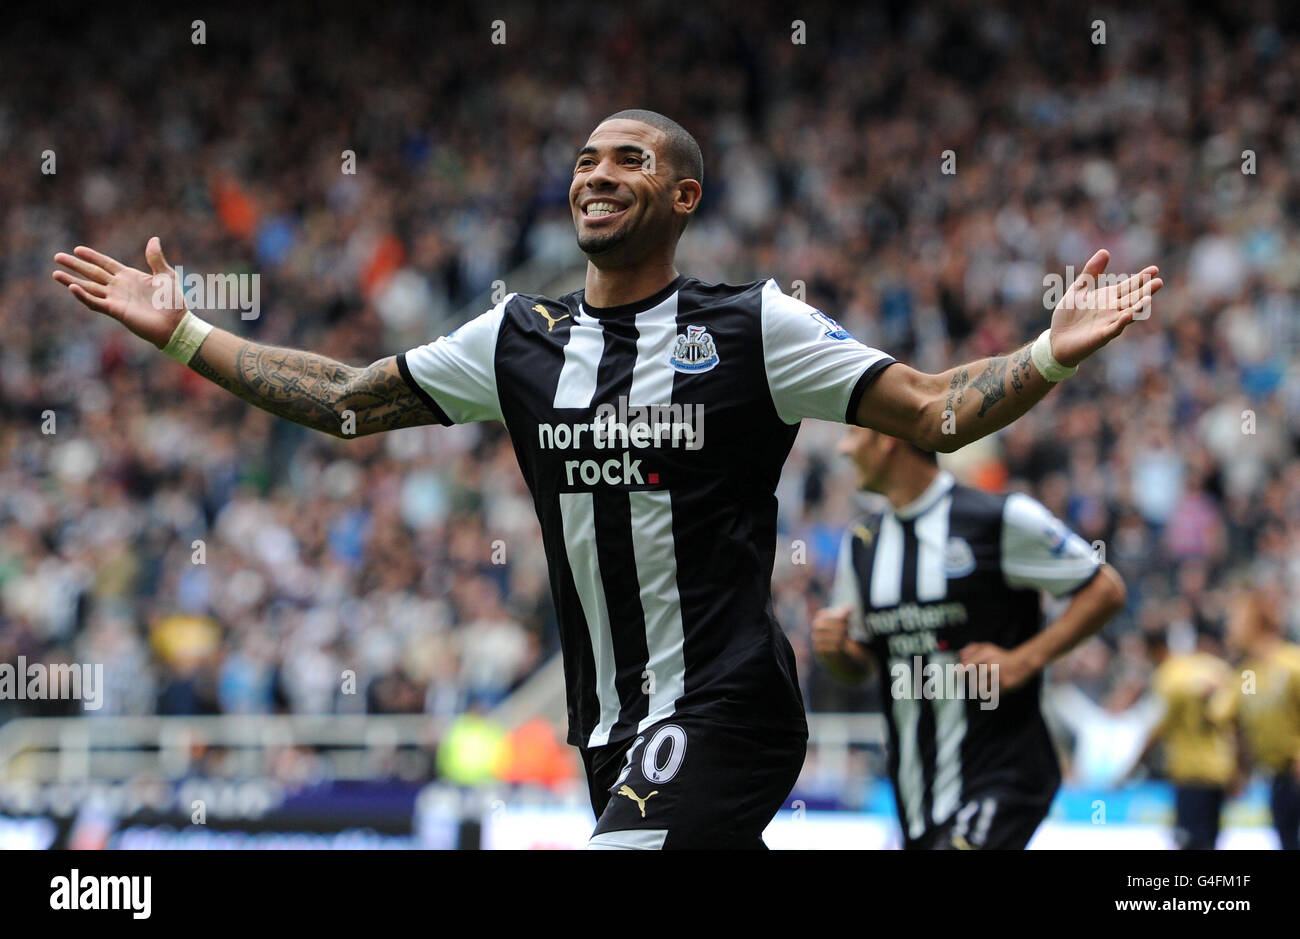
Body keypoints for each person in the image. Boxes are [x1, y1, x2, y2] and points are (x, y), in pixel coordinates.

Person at [52, 109, 1161, 849]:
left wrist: (1051, 351)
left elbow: (935, 406)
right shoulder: (515, 339)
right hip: (605, 721)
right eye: (586, 159)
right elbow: (347, 401)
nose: (598, 173)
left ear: (682, 198)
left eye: (629, 159)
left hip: (727, 702)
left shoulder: (751, 329)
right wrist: (187, 334)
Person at [812, 428, 1127, 849]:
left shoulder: (999, 518)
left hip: (1002, 774)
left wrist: (1025, 660)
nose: (843, 447)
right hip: (915, 794)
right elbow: (864, 664)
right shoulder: (862, 543)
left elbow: (1104, 588)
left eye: (853, 434)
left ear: (889, 438)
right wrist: (836, 651)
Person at [1130, 628, 1239, 849]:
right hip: (1220, 770)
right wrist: (1240, 769)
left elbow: (1157, 730)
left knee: (1188, 840)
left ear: (1155, 650)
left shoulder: (1168, 676)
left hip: (1189, 772)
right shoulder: (1218, 669)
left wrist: (1133, 766)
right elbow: (1236, 716)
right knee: (1209, 839)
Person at [1226, 587, 1300, 850]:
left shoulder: (1291, 663)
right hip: (1279, 780)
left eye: (1236, 618)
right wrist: (1240, 771)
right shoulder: (1247, 675)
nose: (1230, 626)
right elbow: (1239, 722)